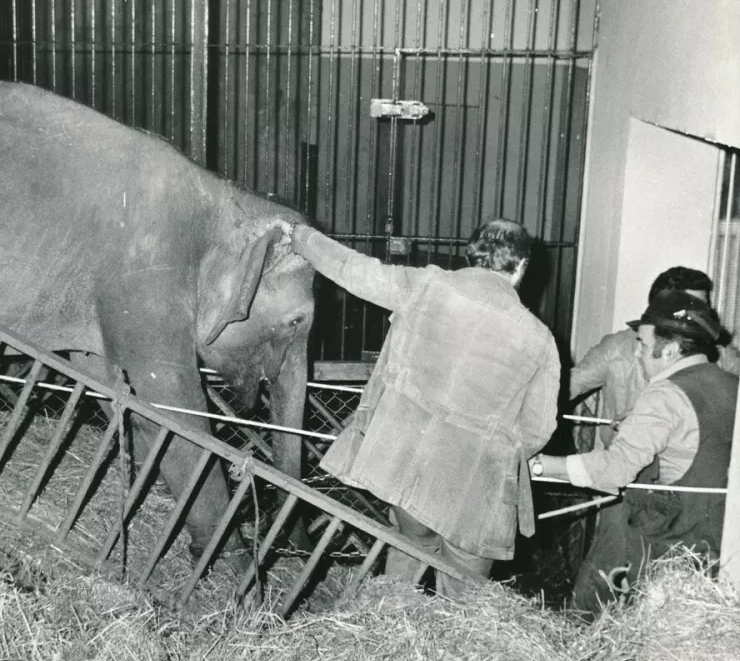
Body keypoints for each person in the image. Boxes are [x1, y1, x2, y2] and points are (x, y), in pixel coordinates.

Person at [273, 217, 561, 597]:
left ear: (472, 253)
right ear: (521, 265)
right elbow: (539, 429)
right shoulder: (540, 340)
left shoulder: (427, 285)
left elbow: (353, 269)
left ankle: (387, 624)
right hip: (474, 490)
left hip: (407, 467)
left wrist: (302, 237)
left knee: (407, 554)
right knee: (464, 596)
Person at [534, 290, 737, 621]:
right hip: (716, 550)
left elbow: (614, 470)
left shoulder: (665, 393)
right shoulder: (731, 384)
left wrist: (539, 467)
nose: (638, 352)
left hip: (664, 547)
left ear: (669, 349)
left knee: (589, 607)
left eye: (642, 343)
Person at [570, 266, 739, 451]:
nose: (703, 318)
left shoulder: (722, 357)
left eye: (704, 307)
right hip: (623, 464)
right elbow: (565, 388)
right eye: (692, 309)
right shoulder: (615, 349)